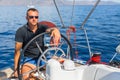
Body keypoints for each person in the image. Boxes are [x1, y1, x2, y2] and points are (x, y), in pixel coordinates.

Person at [14, 8, 61, 80]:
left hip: (44, 57)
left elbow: (50, 29)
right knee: (26, 77)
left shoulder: (42, 27)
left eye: (36, 17)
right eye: (31, 17)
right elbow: (17, 52)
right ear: (26, 18)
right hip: (30, 60)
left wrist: (55, 30)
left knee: (64, 65)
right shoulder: (21, 31)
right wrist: (16, 69)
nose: (34, 19)